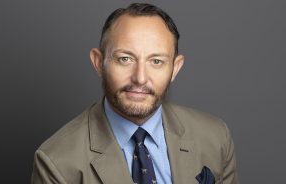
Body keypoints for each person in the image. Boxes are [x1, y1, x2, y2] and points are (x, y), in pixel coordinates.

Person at [31, 3, 239, 184]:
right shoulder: (57, 161)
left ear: (175, 68)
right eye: (125, 59)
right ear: (98, 63)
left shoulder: (215, 136)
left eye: (156, 61)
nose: (140, 78)